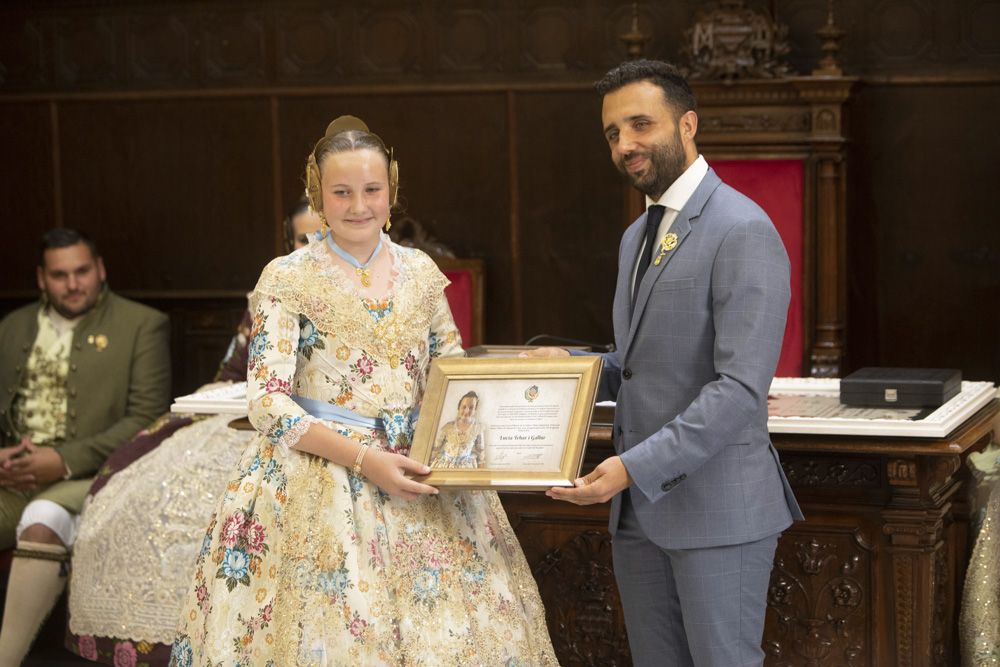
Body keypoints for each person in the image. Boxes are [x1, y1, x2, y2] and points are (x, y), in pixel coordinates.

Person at [170, 116, 556, 665]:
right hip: (322, 477)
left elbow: (449, 373)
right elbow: (266, 400)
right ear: (317, 195)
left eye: (372, 190)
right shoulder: (288, 276)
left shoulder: (421, 271)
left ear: (391, 191)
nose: (358, 205)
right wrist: (363, 459)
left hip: (423, 476)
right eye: (341, 192)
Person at [532, 60, 802, 666]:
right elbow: (637, 363)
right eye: (611, 133)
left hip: (716, 510)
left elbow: (737, 391)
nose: (625, 144)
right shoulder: (637, 235)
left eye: (639, 124)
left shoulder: (742, 229)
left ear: (687, 125)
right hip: (638, 519)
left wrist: (628, 468)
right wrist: (572, 367)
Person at [65, 203, 324, 666]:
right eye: (302, 239)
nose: (313, 248)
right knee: (146, 493)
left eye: (321, 235)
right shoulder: (273, 291)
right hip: (248, 419)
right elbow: (232, 368)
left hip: (320, 427)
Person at [0, 228, 171, 666]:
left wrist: (61, 461)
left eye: (81, 272)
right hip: (12, 475)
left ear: (100, 270)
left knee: (43, 518)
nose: (72, 284)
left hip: (95, 474)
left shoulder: (141, 324)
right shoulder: (11, 327)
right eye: (59, 275)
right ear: (41, 278)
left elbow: (147, 420)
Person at [429, 391, 485, 468]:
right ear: (459, 407)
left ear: (475, 410)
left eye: (471, 407)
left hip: (465, 467)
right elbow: (436, 448)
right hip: (445, 464)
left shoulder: (477, 428)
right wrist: (429, 464)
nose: (466, 411)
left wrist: (482, 474)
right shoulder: (448, 427)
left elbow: (480, 452)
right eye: (464, 407)